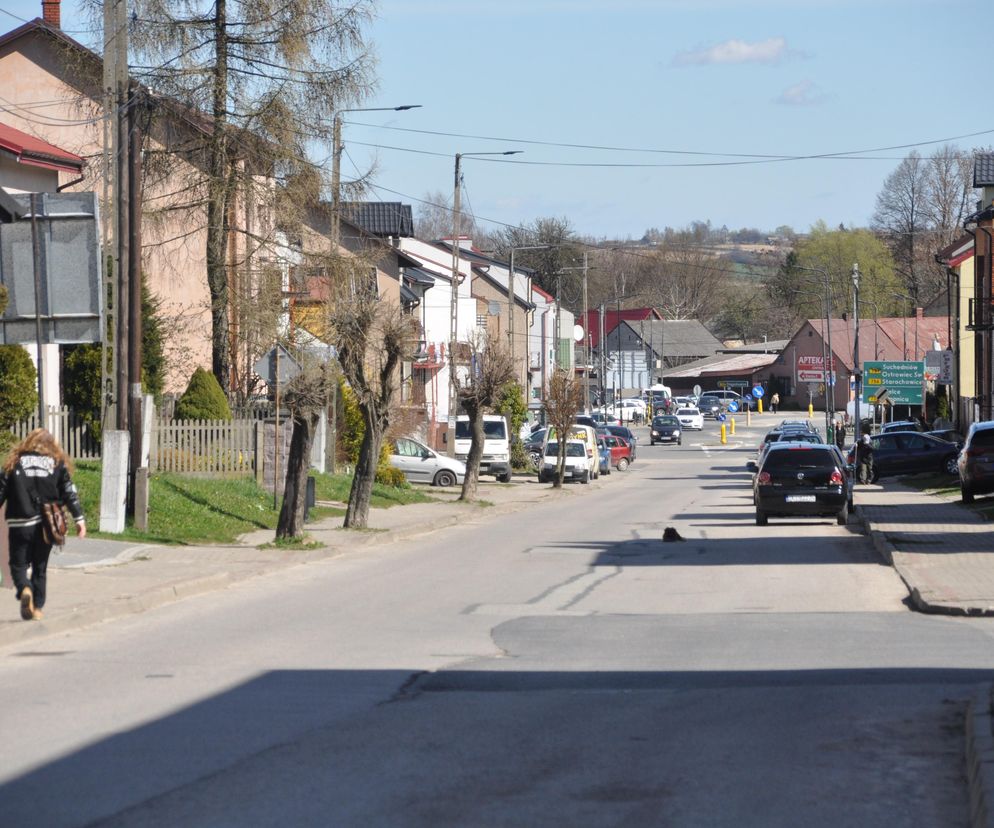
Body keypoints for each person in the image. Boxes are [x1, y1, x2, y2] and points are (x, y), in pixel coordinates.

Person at [0, 429, 85, 621]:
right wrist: (79, 519)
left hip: (20, 522)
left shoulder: (14, 462)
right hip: (46, 525)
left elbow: (1, 489)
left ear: (28, 442)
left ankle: (25, 589)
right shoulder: (56, 463)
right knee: (40, 566)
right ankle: (37, 607)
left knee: (18, 564)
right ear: (52, 444)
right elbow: (68, 492)